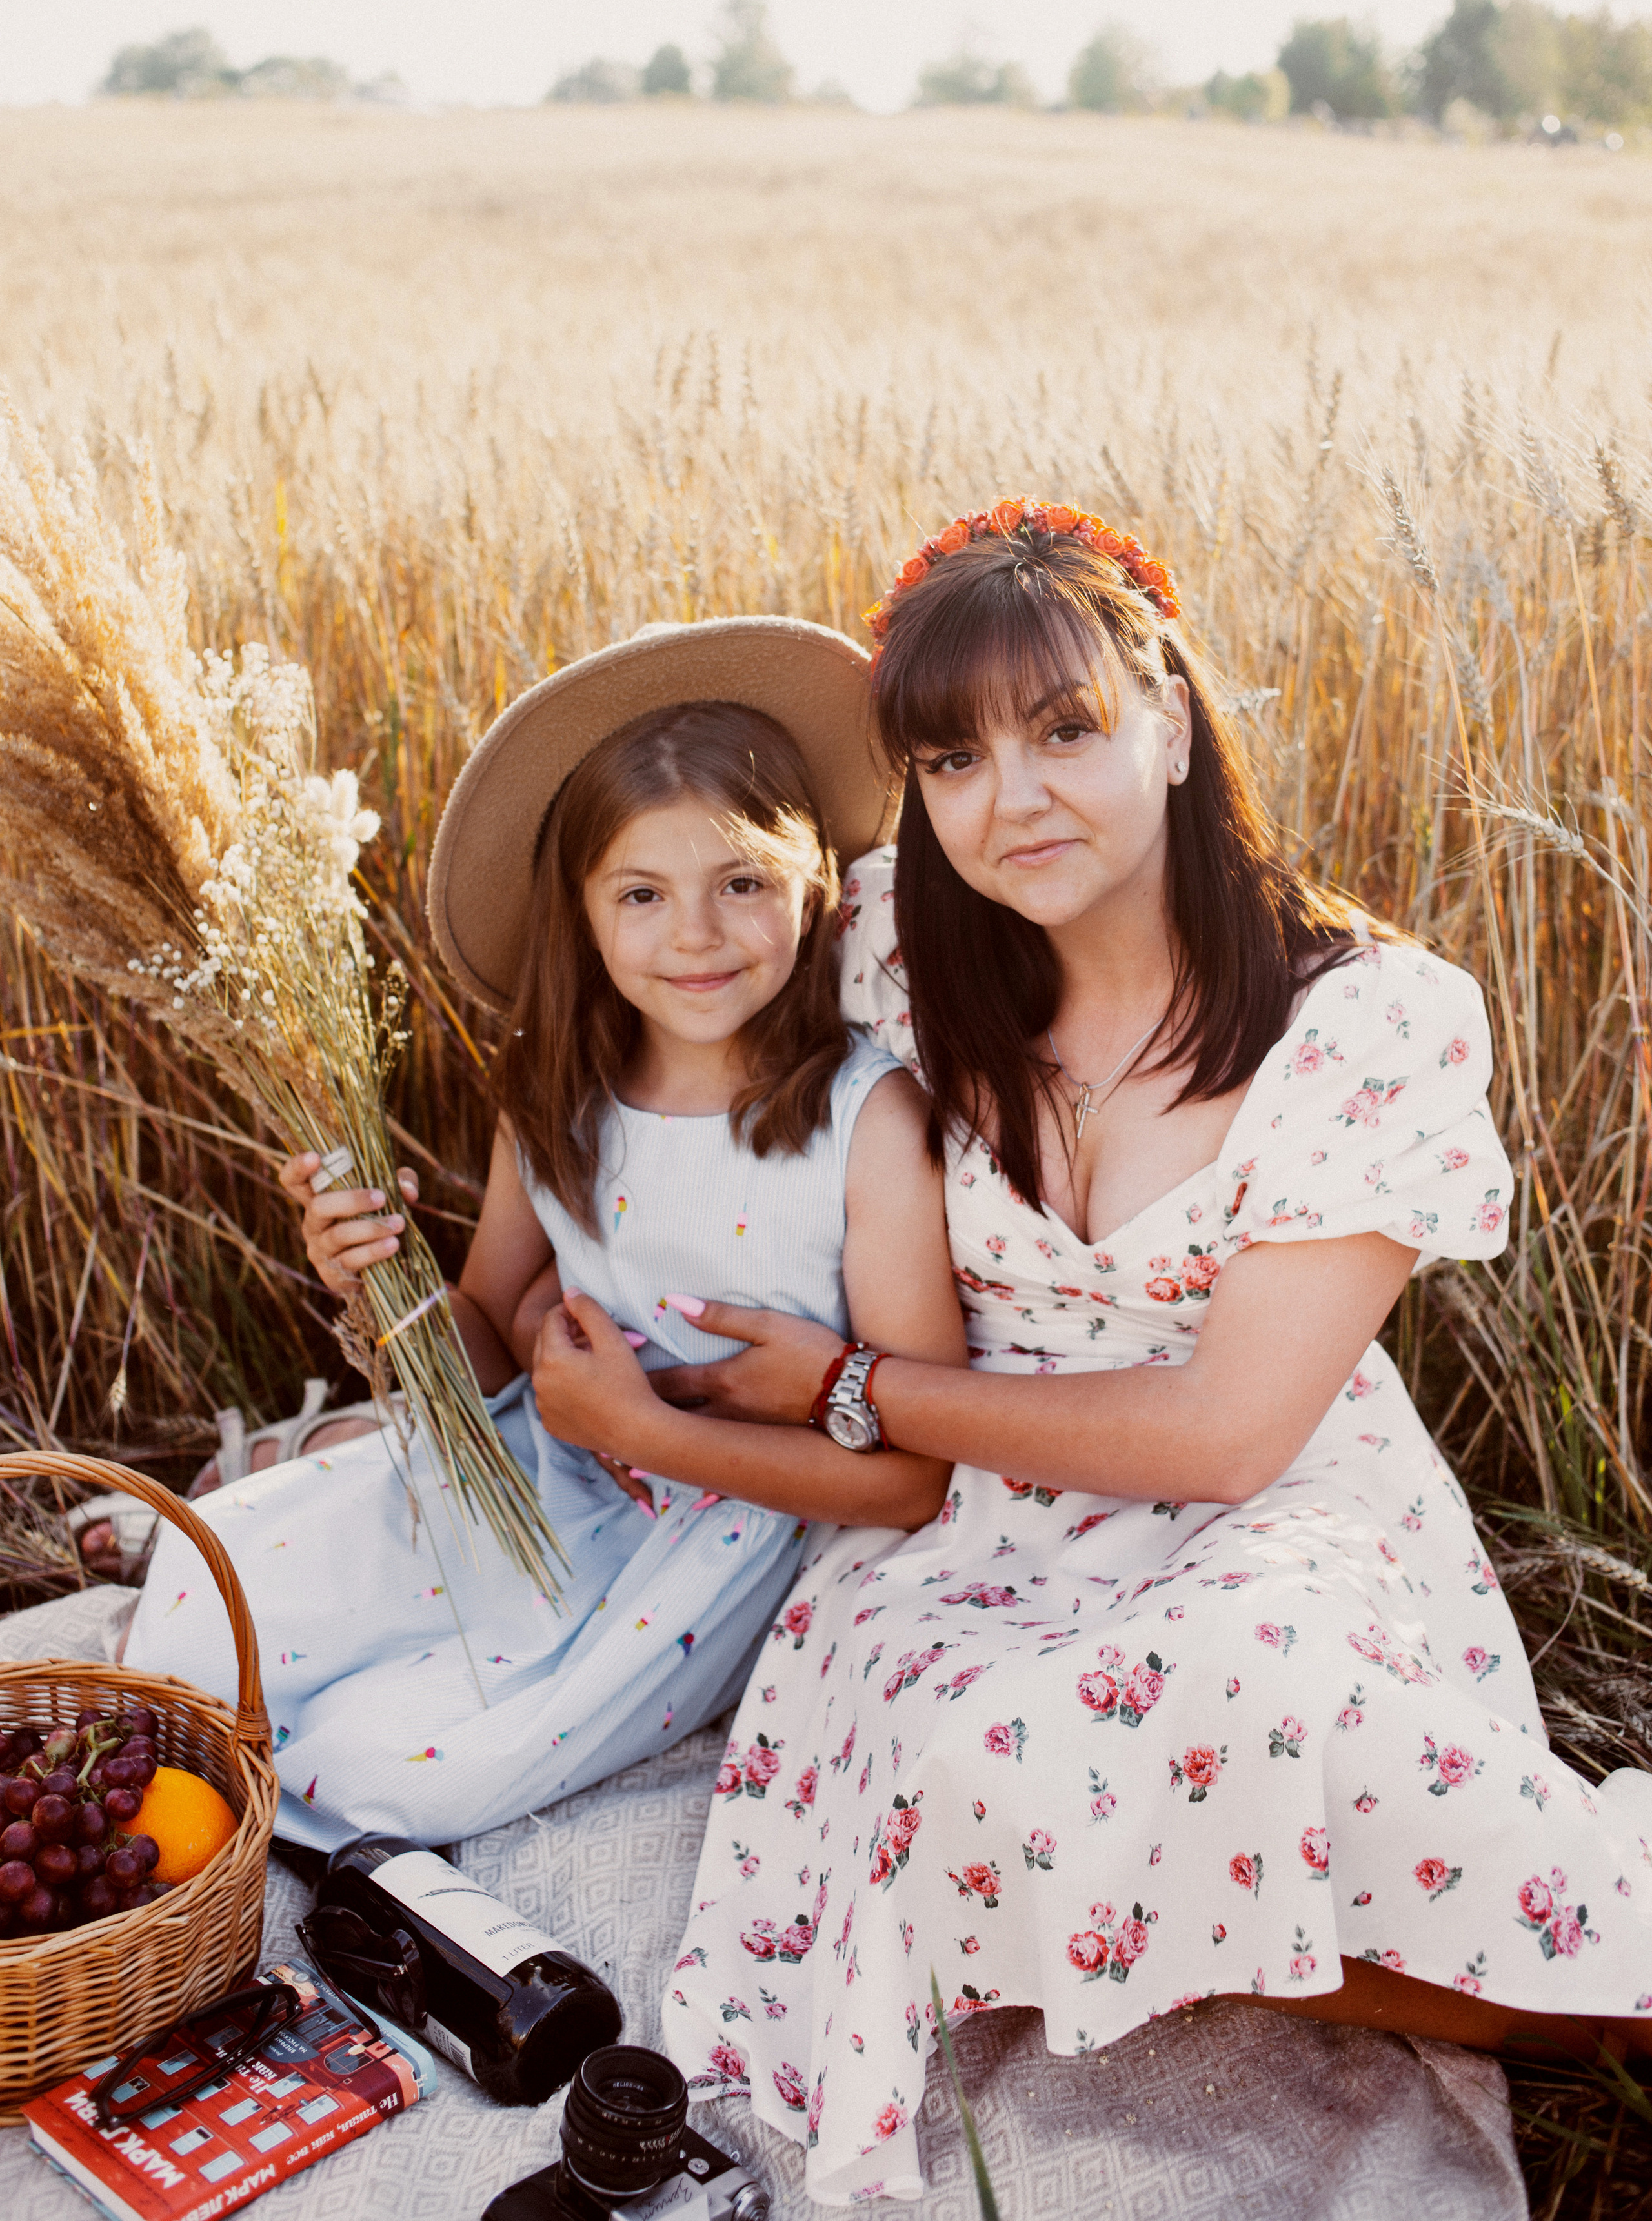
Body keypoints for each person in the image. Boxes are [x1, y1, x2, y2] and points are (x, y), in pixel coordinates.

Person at [528, 505, 1652, 2205]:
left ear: (1178, 722)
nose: (1015, 797)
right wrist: (452, 1268)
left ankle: (1588, 2010)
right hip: (982, 1524)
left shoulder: (1366, 1020)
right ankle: (1228, 1936)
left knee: (1243, 1690)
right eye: (953, 758)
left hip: (1273, 1504)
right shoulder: (899, 947)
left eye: (1066, 730)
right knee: (951, 1759)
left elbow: (1224, 1435)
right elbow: (650, 970)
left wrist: (856, 1389)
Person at [122, 619, 965, 1849]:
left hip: (721, 1530)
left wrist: (644, 1428)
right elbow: (486, 1342)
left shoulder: (866, 1124)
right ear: (582, 911)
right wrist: (377, 1282)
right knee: (203, 1603)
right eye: (642, 894)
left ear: (815, 890)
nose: (695, 934)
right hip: (539, 1472)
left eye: (741, 884)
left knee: (400, 1775)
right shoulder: (560, 1091)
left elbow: (914, 1474)